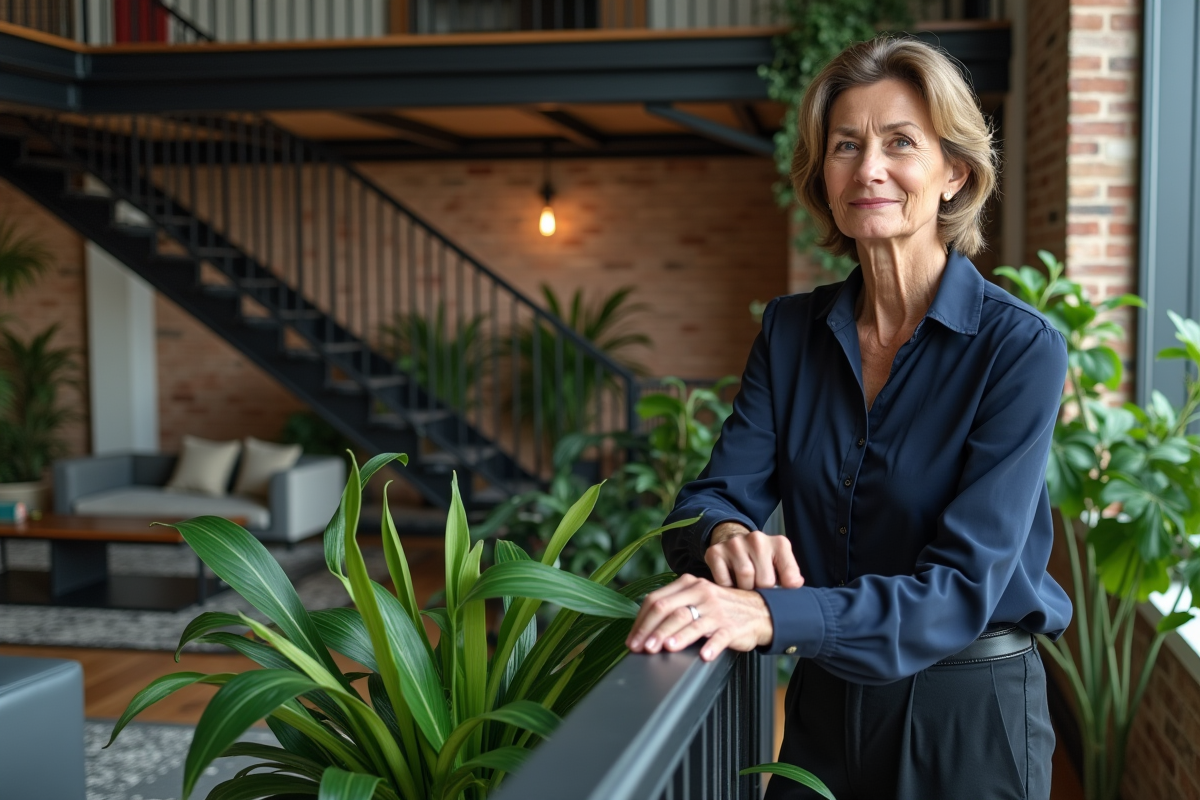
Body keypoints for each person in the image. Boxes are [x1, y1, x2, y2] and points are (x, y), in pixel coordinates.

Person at [625, 35, 1072, 800]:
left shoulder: (1018, 348)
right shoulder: (792, 332)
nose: (869, 168)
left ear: (953, 173)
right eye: (845, 145)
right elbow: (705, 500)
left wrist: (770, 611)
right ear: (822, 175)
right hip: (825, 701)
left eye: (901, 143)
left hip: (965, 712)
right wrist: (727, 537)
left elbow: (963, 587)